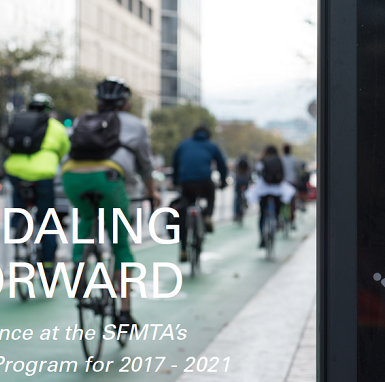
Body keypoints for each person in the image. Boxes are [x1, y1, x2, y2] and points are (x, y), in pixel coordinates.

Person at [62, 77, 159, 331]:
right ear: (126, 104)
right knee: (119, 243)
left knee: (86, 219)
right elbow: (146, 167)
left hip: (71, 176)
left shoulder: (83, 122)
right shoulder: (136, 125)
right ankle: (125, 314)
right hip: (108, 179)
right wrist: (153, 194)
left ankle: (79, 268)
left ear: (98, 102)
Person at [4, 93, 70, 283]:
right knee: (47, 221)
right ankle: (48, 269)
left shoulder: (18, 122)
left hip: (15, 172)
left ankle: (19, 229)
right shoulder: (56, 127)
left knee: (20, 206)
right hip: (43, 175)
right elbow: (64, 151)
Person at [170, 126, 227, 262]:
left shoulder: (183, 145)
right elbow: (221, 165)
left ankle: (183, 250)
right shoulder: (211, 146)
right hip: (204, 183)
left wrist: (175, 181)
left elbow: (175, 164)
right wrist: (223, 181)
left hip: (186, 184)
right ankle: (207, 216)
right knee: (211, 193)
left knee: (183, 213)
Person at [245, 145, 297, 248]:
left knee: (263, 214)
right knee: (278, 207)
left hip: (264, 189)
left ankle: (262, 239)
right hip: (277, 188)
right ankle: (277, 220)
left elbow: (257, 173)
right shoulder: (279, 160)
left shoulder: (263, 160)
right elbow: (283, 174)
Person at [280, 144, 300, 229]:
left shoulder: (281, 159)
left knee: (281, 201)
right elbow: (297, 171)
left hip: (283, 182)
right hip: (292, 182)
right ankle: (292, 220)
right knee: (292, 202)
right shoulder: (294, 159)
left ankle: (280, 219)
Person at [233, 154, 252, 220]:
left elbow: (235, 172)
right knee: (246, 193)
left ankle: (236, 213)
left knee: (237, 197)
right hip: (245, 181)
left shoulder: (237, 163)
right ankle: (245, 202)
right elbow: (250, 173)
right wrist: (250, 180)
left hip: (238, 181)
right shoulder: (248, 164)